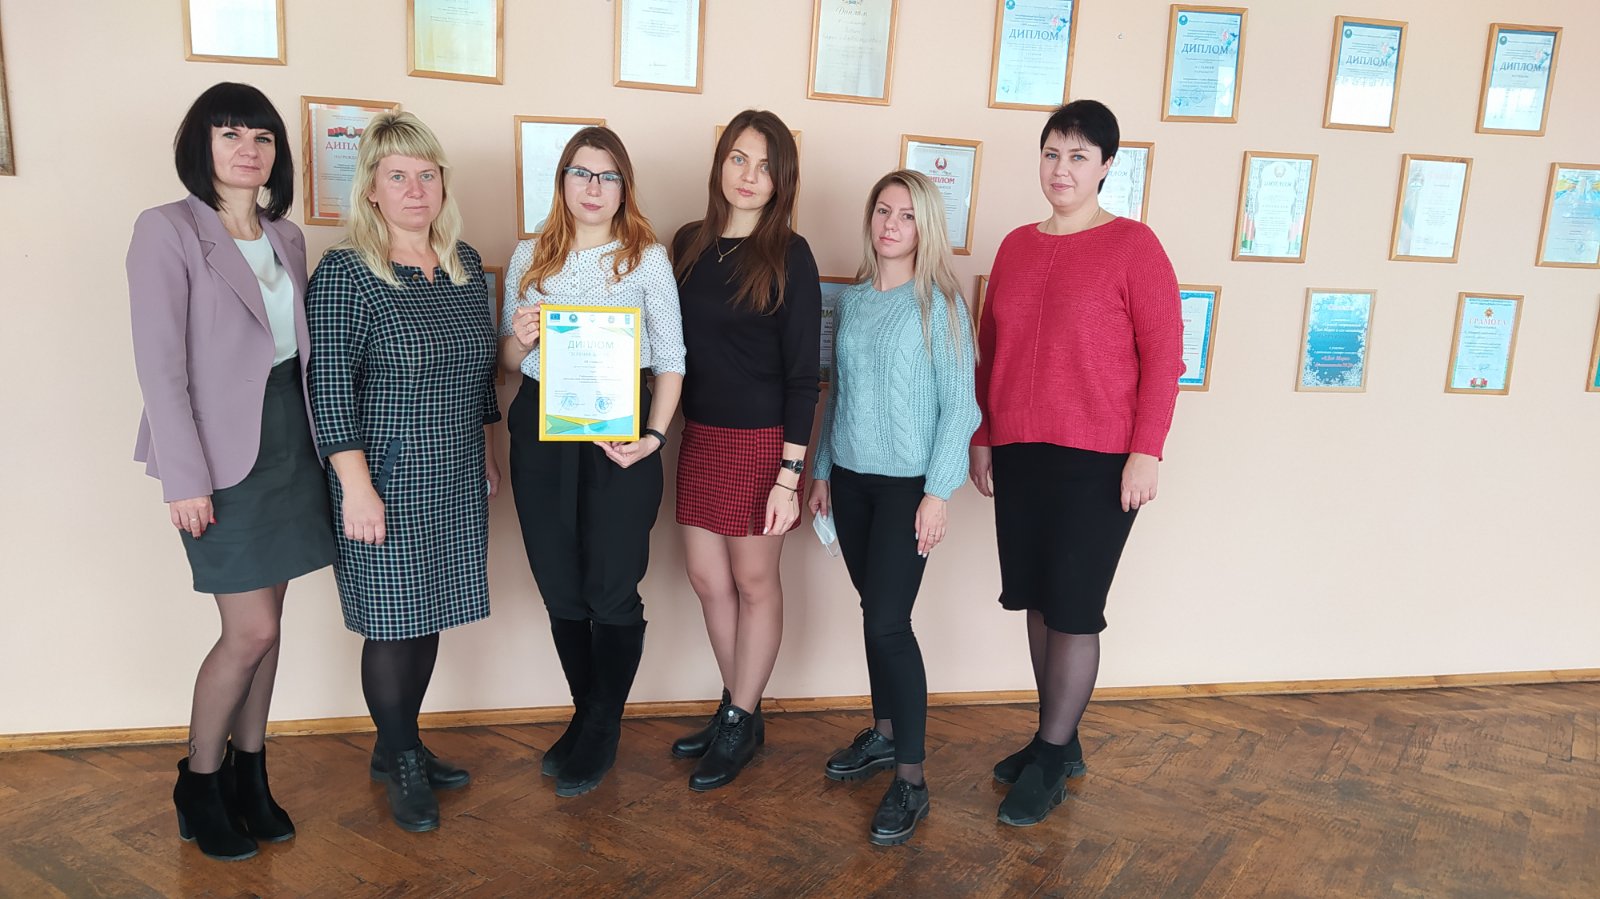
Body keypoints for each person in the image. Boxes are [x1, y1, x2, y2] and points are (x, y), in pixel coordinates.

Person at [128, 82, 335, 862]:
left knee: (270, 628)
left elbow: (296, 356)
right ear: (202, 145)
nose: (249, 148)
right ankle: (200, 780)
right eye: (230, 133)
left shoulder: (287, 237)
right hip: (216, 456)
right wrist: (184, 476)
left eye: (262, 136)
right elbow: (160, 367)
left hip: (289, 442)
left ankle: (252, 775)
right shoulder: (167, 230)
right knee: (250, 631)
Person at [969, 99, 1183, 827]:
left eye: (1079, 156)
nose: (1062, 169)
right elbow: (991, 352)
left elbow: (1165, 358)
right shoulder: (1014, 247)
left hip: (1100, 458)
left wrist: (1146, 450)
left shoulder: (1134, 246)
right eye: (1052, 153)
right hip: (1020, 450)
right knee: (1036, 598)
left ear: (1106, 167)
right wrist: (984, 434)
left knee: (1073, 605)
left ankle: (1054, 756)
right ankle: (1053, 737)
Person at [306, 111, 501, 834]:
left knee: (427, 612)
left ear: (442, 183)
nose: (415, 189)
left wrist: (486, 450)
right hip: (383, 477)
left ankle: (401, 743)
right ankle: (400, 759)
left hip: (455, 471)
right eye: (398, 176)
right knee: (391, 622)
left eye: (426, 174)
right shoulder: (347, 273)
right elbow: (328, 389)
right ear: (371, 189)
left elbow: (480, 373)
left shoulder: (463, 264)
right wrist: (356, 487)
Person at [499, 126, 686, 798]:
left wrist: (654, 436)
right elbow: (507, 362)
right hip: (543, 428)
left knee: (612, 585)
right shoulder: (530, 256)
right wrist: (520, 341)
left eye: (608, 176)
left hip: (620, 433)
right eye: (581, 172)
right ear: (562, 181)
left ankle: (601, 728)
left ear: (624, 187)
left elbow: (671, 360)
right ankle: (588, 718)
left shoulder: (646, 259)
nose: (593, 187)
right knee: (560, 584)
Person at [806, 170, 979, 845]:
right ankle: (882, 734)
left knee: (887, 622)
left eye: (906, 215)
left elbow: (960, 407)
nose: (891, 224)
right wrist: (822, 470)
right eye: (883, 210)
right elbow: (839, 393)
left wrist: (938, 492)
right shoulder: (851, 302)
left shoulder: (941, 306)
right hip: (851, 482)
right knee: (872, 611)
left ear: (924, 227)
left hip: (909, 487)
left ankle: (912, 779)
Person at [669, 109, 820, 791]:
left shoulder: (791, 253)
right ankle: (741, 708)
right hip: (699, 434)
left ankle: (738, 715)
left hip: (762, 444)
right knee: (708, 579)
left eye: (764, 165)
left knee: (755, 583)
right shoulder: (688, 243)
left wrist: (790, 475)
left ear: (781, 179)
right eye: (738, 158)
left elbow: (802, 377)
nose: (749, 175)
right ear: (720, 163)